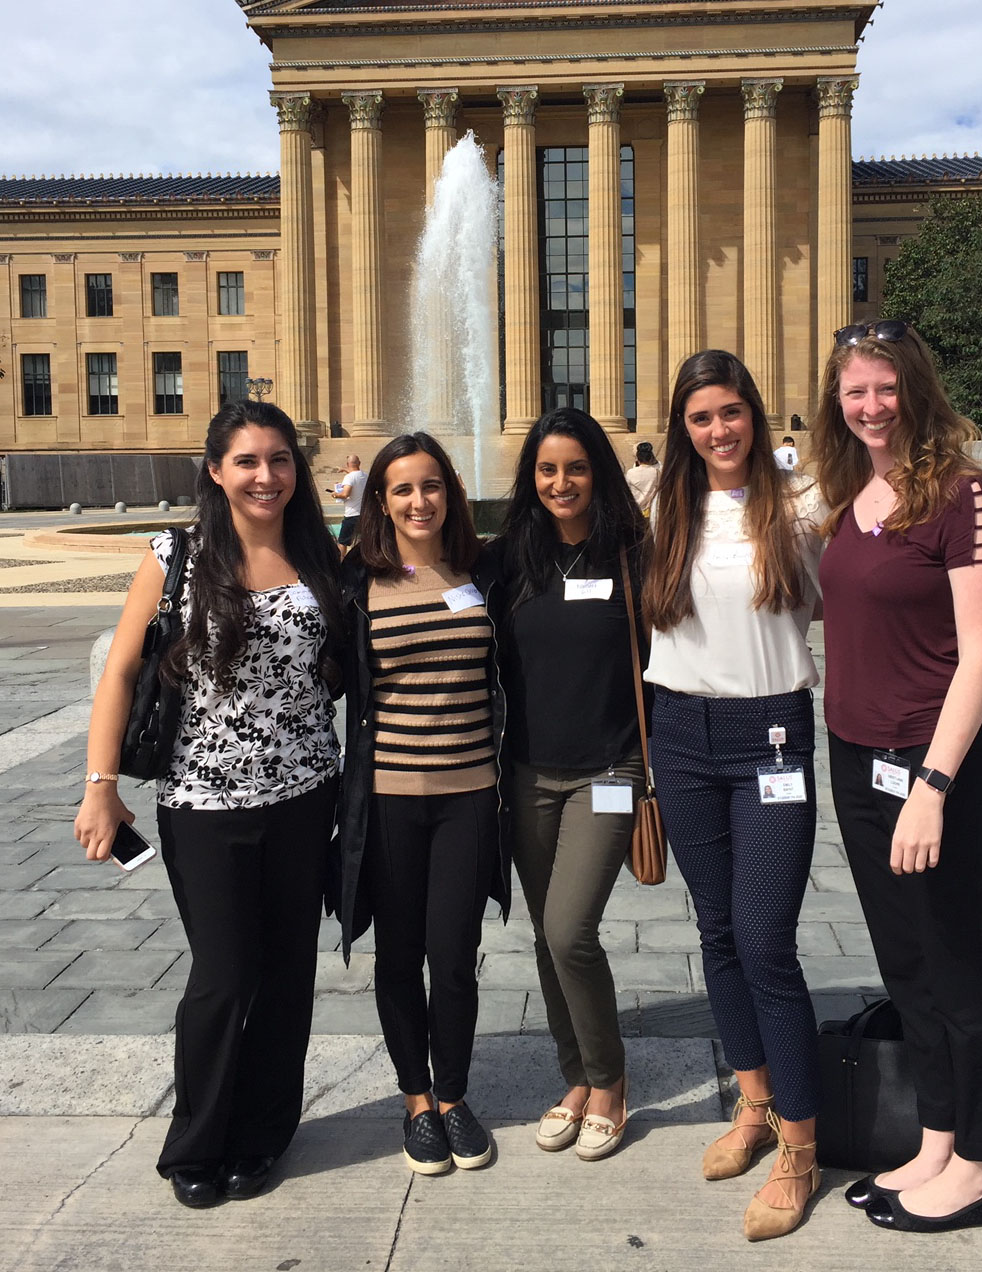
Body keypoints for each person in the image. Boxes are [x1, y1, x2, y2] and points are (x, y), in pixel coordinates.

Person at [74, 400, 344, 1209]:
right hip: (204, 800)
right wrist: (100, 787)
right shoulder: (178, 555)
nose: (268, 476)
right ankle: (197, 1138)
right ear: (217, 471)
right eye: (250, 461)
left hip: (306, 796)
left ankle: (265, 1133)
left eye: (281, 460)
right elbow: (120, 672)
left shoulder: (320, 553)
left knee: (289, 973)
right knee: (225, 977)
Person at [812, 319, 982, 1234]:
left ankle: (977, 1164)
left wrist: (932, 785)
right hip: (858, 759)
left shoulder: (963, 496)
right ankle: (935, 1137)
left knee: (955, 959)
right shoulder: (854, 491)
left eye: (885, 388)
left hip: (931, 766)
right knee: (907, 963)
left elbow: (978, 658)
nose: (870, 405)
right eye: (855, 390)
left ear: (917, 390)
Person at [642, 349, 825, 1241]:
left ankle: (801, 1144)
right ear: (682, 428)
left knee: (765, 940)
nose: (718, 430)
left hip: (773, 738)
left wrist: (975, 627)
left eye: (730, 412)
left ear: (754, 413)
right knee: (717, 932)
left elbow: (879, 587)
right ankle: (753, 1103)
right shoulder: (660, 511)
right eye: (700, 417)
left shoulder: (800, 506)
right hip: (679, 735)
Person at [336, 432, 510, 1177]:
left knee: (456, 958)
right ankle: (415, 1100)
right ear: (381, 499)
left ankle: (455, 1095)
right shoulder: (356, 582)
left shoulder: (482, 570)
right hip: (389, 802)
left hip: (469, 799)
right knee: (400, 956)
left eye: (431, 485)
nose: (419, 501)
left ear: (451, 493)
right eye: (403, 488)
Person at [486, 406, 648, 1162]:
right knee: (547, 935)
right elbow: (427, 579)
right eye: (547, 469)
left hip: (610, 771)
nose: (561, 483)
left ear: (598, 473)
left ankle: (610, 1081)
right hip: (527, 773)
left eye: (576, 468)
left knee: (568, 929)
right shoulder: (511, 557)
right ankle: (575, 1078)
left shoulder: (632, 551)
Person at [330, 453, 366, 555]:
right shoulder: (365, 475)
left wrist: (336, 494)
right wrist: (345, 470)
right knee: (361, 541)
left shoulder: (349, 477)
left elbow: (345, 494)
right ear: (359, 463)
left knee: (342, 542)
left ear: (347, 464)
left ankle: (341, 564)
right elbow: (355, 475)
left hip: (351, 514)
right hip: (363, 514)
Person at [625, 439, 661, 513]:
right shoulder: (657, 472)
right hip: (650, 511)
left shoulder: (630, 473)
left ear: (637, 458)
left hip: (635, 511)